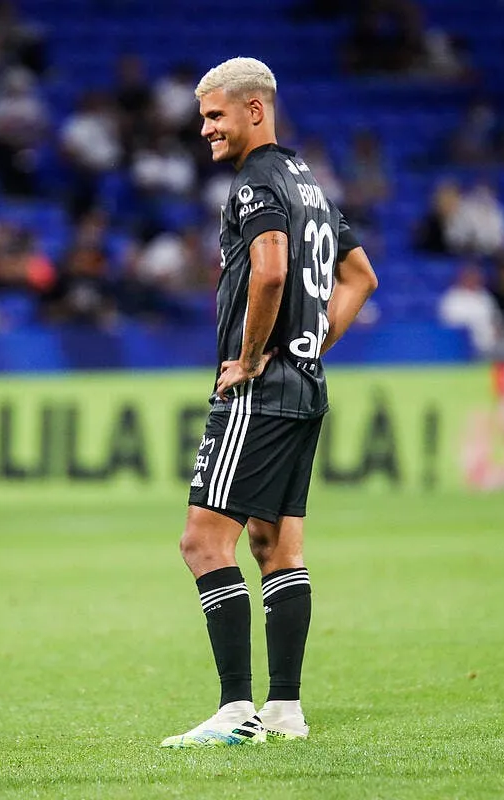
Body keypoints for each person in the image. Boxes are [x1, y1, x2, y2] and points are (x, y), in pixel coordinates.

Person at [161, 58, 378, 749]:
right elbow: (361, 276)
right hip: (305, 387)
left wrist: (255, 356)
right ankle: (285, 709)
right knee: (275, 546)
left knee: (203, 541)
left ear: (255, 110)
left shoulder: (257, 184)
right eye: (203, 118)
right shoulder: (309, 183)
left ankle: (234, 712)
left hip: (259, 389)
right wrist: (311, 344)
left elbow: (273, 270)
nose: (206, 130)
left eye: (216, 115)